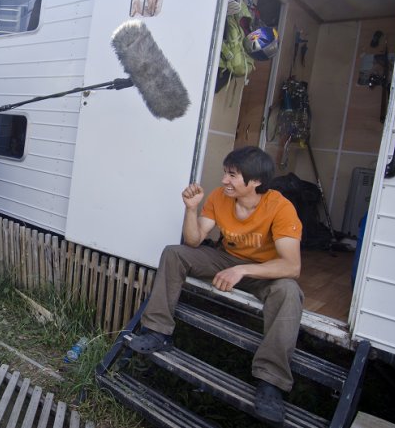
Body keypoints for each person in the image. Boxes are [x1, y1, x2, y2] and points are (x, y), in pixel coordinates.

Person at [129, 146, 303, 424]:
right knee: (174, 253)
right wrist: (191, 208)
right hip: (224, 259)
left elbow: (292, 266)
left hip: (262, 272)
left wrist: (243, 270)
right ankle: (157, 331)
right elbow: (194, 241)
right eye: (225, 173)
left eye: (232, 175)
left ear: (256, 181)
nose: (224, 180)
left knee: (289, 291)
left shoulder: (281, 207)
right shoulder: (219, 197)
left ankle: (271, 383)